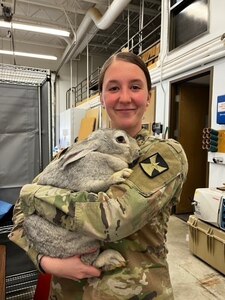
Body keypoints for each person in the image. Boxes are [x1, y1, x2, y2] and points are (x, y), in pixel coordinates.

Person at [9, 52, 188, 300]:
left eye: (135, 87)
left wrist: (33, 193)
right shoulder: (75, 152)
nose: (125, 97)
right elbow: (20, 214)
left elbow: (112, 217)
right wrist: (47, 262)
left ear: (148, 96)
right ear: (102, 98)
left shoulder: (164, 154)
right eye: (113, 88)